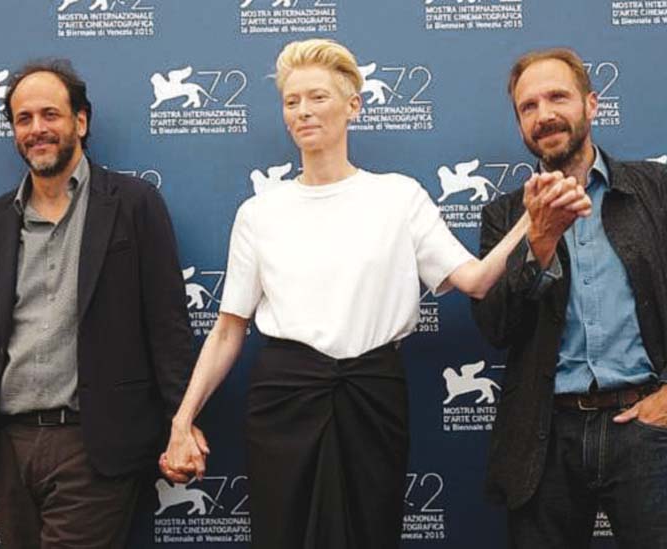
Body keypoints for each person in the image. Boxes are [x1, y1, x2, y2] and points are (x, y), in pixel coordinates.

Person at [160, 39, 591, 549]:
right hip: (284, 399)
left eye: (317, 97)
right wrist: (182, 421)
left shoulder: (398, 196)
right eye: (291, 101)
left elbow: (475, 280)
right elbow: (229, 329)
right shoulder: (259, 213)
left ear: (352, 106)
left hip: (373, 394)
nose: (303, 111)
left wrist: (531, 220)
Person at [471, 47, 667, 548]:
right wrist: (540, 242)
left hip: (646, 429)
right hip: (544, 443)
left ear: (591, 105)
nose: (544, 114)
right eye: (528, 107)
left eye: (557, 97)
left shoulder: (658, 189)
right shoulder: (506, 217)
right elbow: (495, 327)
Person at [0, 59, 196, 548]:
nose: (37, 129)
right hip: (9, 447)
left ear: (80, 122)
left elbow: (167, 327)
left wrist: (183, 425)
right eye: (23, 119)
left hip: (95, 445)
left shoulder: (134, 203)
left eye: (50, 114)